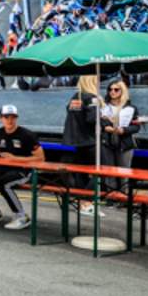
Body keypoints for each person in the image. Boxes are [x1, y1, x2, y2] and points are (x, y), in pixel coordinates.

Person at [0, 105, 44, 230]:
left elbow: (41, 158)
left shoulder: (27, 135)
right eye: (6, 117)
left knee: (3, 184)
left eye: (13, 117)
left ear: (17, 118)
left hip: (24, 170)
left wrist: (15, 158)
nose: (10, 120)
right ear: (0, 118)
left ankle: (21, 217)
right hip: (4, 168)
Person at [63, 75, 100, 214]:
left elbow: (69, 111)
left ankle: (82, 203)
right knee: (99, 172)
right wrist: (103, 117)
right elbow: (92, 119)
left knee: (81, 173)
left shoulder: (74, 97)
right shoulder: (92, 98)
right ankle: (87, 201)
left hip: (77, 141)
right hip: (90, 140)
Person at [100, 79, 140, 191]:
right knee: (109, 172)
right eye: (110, 89)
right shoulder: (104, 107)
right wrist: (105, 126)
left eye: (116, 89)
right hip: (107, 142)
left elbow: (136, 127)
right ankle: (111, 197)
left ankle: (123, 198)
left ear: (122, 91)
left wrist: (124, 130)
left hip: (124, 143)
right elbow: (100, 121)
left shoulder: (131, 108)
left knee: (123, 172)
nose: (112, 92)